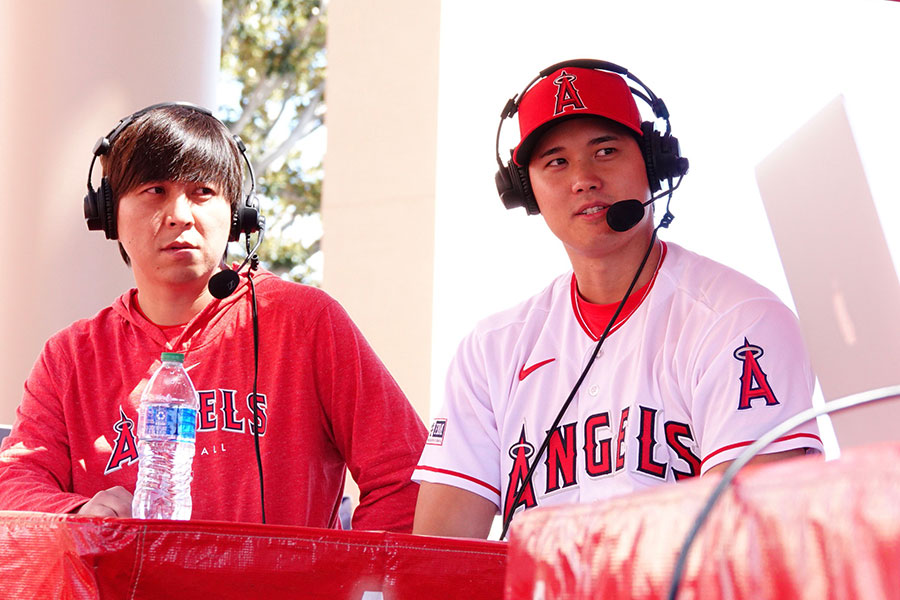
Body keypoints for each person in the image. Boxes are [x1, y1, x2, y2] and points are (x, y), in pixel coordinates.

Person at [412, 60, 823, 539]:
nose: (583, 178)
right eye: (556, 162)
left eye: (605, 150)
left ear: (653, 162)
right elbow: (439, 553)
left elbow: (742, 542)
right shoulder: (490, 351)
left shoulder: (739, 321)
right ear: (526, 191)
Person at [0, 103, 426, 531]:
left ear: (238, 216)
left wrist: (346, 579)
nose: (180, 215)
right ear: (108, 213)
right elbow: (15, 483)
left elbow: (406, 479)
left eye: (202, 192)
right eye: (154, 190)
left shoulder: (306, 321)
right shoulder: (71, 356)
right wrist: (79, 513)